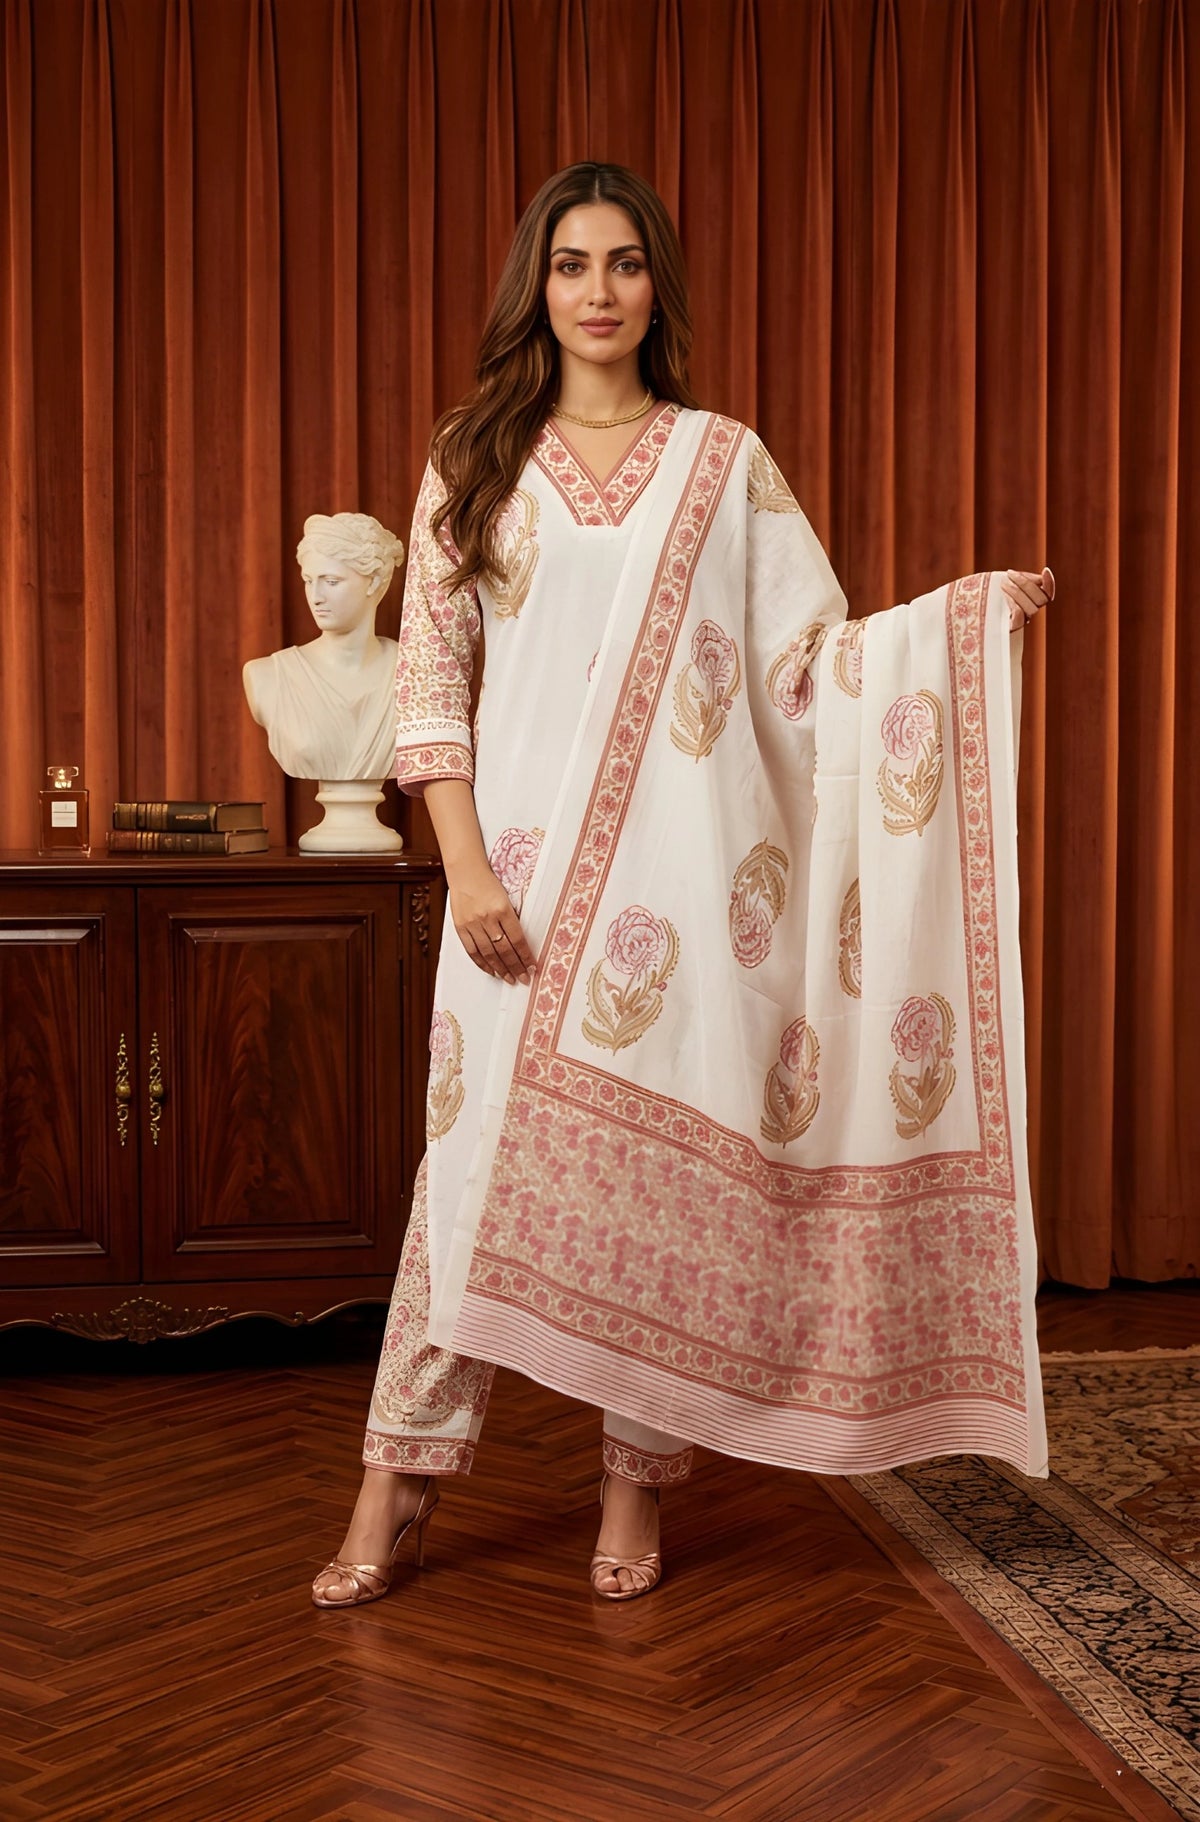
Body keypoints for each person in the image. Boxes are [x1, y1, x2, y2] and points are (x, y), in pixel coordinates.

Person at [312, 163, 1054, 1609]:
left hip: (688, 896)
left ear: (659, 286)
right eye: (574, 263)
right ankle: (393, 1479)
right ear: (539, 283)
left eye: (626, 264)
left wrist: (960, 625)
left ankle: (632, 1483)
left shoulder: (726, 461)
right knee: (465, 1188)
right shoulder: (478, 454)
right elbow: (431, 680)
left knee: (663, 1191)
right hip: (509, 889)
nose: (599, 291)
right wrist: (462, 864)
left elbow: (811, 664)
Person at [243, 512, 404, 783]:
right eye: (308, 581)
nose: (316, 597)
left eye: (331, 582)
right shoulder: (267, 676)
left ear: (374, 581)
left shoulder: (412, 671)